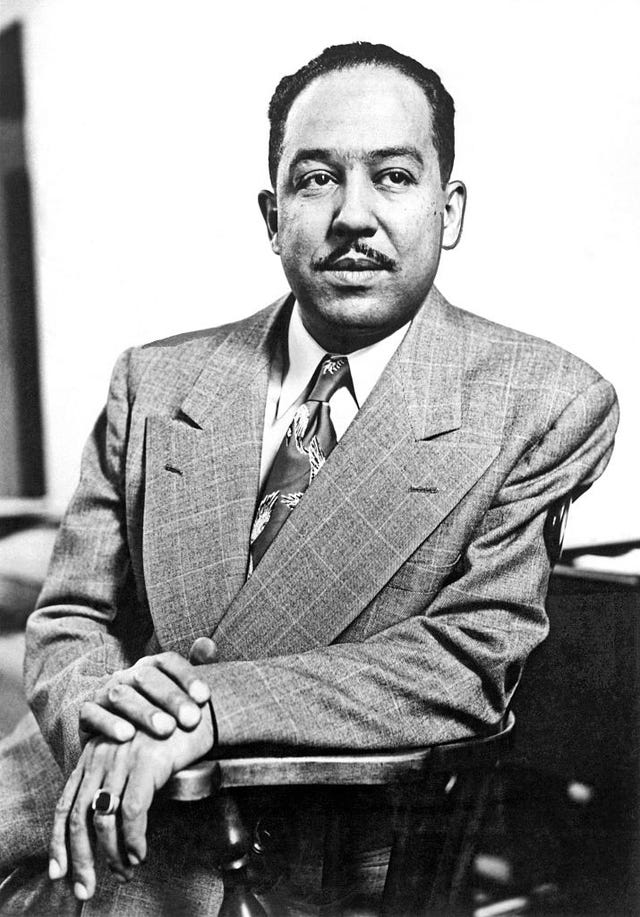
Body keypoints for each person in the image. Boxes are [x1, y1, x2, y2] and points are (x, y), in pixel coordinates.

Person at [0, 41, 618, 915]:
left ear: (450, 210)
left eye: (394, 177)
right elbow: (70, 617)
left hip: (293, 870)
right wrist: (106, 719)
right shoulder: (155, 379)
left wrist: (204, 706)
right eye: (317, 179)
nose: (352, 216)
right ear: (272, 213)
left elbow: (463, 663)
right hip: (60, 807)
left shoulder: (545, 403)